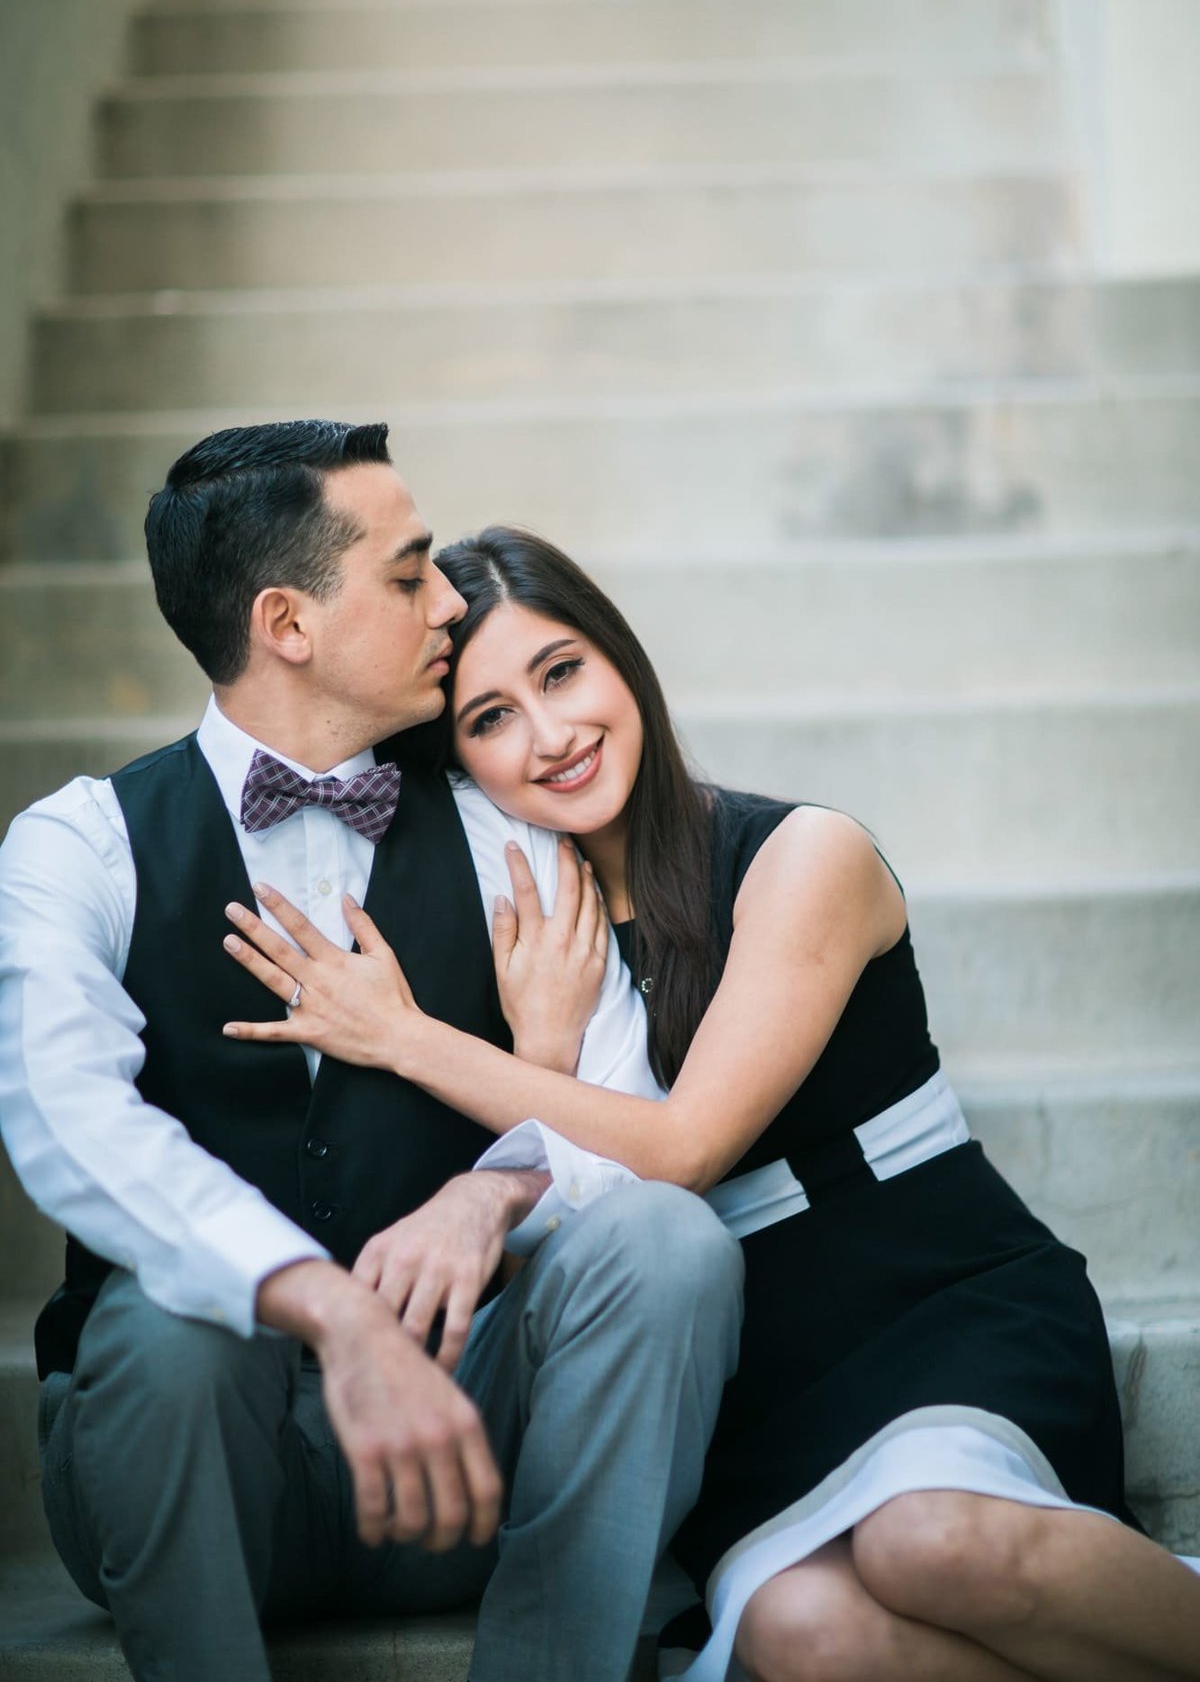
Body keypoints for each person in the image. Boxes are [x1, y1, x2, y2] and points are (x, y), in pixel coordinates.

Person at [222, 524, 1200, 1682]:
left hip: (931, 1300)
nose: (551, 737)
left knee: (933, 1541)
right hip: (746, 1384)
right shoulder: (516, 927)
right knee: (804, 1636)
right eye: (489, 719)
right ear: (459, 760)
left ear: (622, 658)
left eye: (562, 671)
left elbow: (683, 1149)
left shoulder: (802, 857)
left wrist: (406, 1038)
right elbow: (561, 1241)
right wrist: (536, 1044)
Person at [0, 430, 746, 1682]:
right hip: (191, 1476)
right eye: (409, 577)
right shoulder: (80, 846)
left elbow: (633, 1120)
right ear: (287, 622)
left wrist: (493, 1190)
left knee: (672, 1244)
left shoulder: (510, 830)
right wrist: (326, 1307)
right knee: (167, 1326)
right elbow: (63, 1116)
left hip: (476, 1450)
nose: (452, 600)